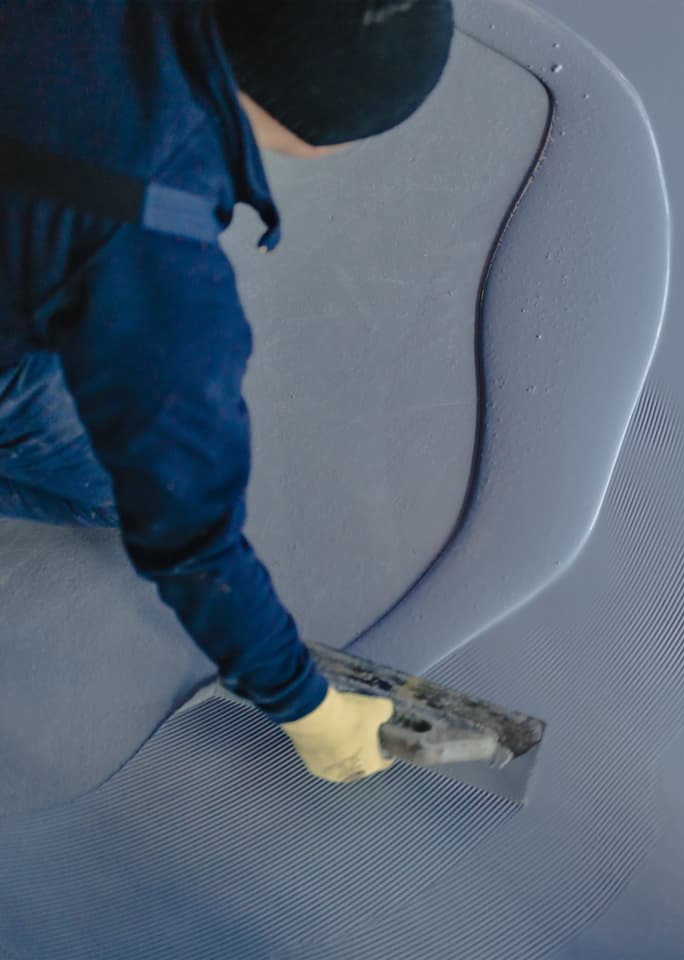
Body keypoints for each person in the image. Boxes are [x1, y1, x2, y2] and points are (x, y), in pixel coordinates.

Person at [0, 0, 454, 783]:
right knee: (117, 489)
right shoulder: (155, 263)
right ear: (322, 142)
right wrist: (309, 707)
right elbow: (190, 536)